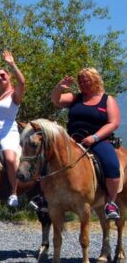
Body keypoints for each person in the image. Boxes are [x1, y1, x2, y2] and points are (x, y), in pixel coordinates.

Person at [51, 67, 122, 219]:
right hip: (72, 140)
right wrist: (59, 87)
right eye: (81, 81)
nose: (83, 83)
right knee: (47, 158)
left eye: (86, 80)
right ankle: (44, 197)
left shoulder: (107, 100)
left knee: (112, 165)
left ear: (95, 80)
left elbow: (113, 123)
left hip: (98, 140)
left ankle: (111, 202)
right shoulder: (75, 98)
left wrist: (95, 137)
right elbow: (56, 100)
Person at [0, 51, 26, 208]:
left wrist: (12, 64)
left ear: (9, 76)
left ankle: (14, 193)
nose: (0, 78)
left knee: (9, 158)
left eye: (2, 75)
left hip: (7, 132)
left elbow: (22, 82)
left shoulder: (14, 94)